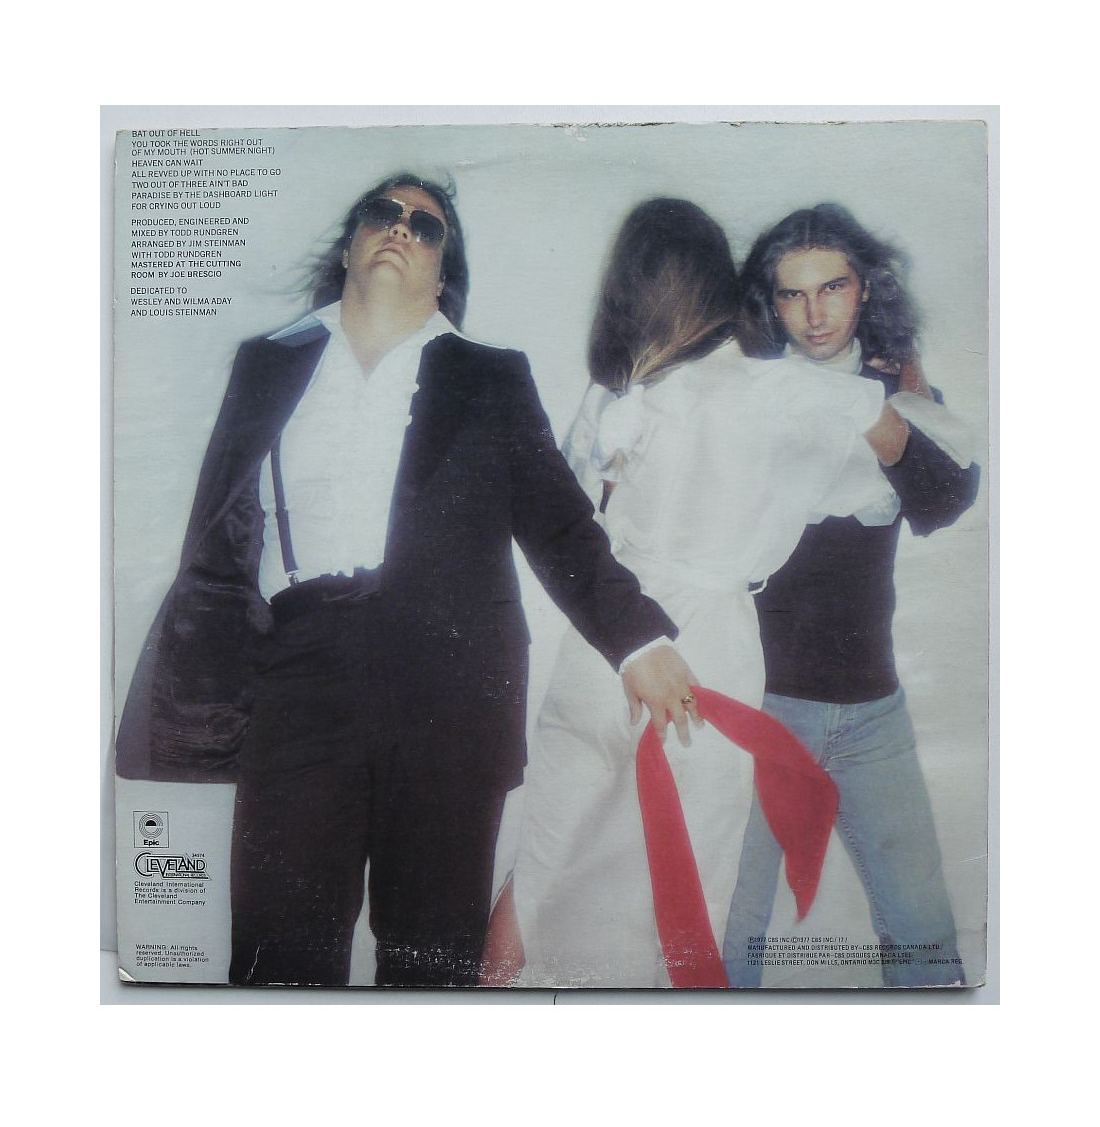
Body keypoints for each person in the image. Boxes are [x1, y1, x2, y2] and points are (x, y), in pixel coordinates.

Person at [115, 172, 699, 989]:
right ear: (350, 244)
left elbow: (560, 523)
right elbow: (216, 529)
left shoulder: (491, 377)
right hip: (301, 674)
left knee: (432, 958)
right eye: (384, 213)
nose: (401, 228)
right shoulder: (267, 364)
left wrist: (638, 639)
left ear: (442, 269)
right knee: (278, 949)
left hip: (448, 688)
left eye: (427, 227)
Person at [484, 198, 921, 990]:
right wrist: (899, 386)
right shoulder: (788, 393)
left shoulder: (616, 396)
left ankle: (484, 1002)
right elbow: (901, 482)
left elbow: (574, 515)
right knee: (691, 880)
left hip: (609, 640)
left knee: (541, 858)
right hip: (710, 649)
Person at [722, 203, 980, 989]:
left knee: (926, 941)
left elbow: (945, 499)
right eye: (793, 294)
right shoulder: (746, 391)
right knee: (731, 939)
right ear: (771, 303)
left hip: (874, 714)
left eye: (832, 287)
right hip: (758, 708)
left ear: (865, 287)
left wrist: (876, 405)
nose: (814, 313)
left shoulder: (895, 386)